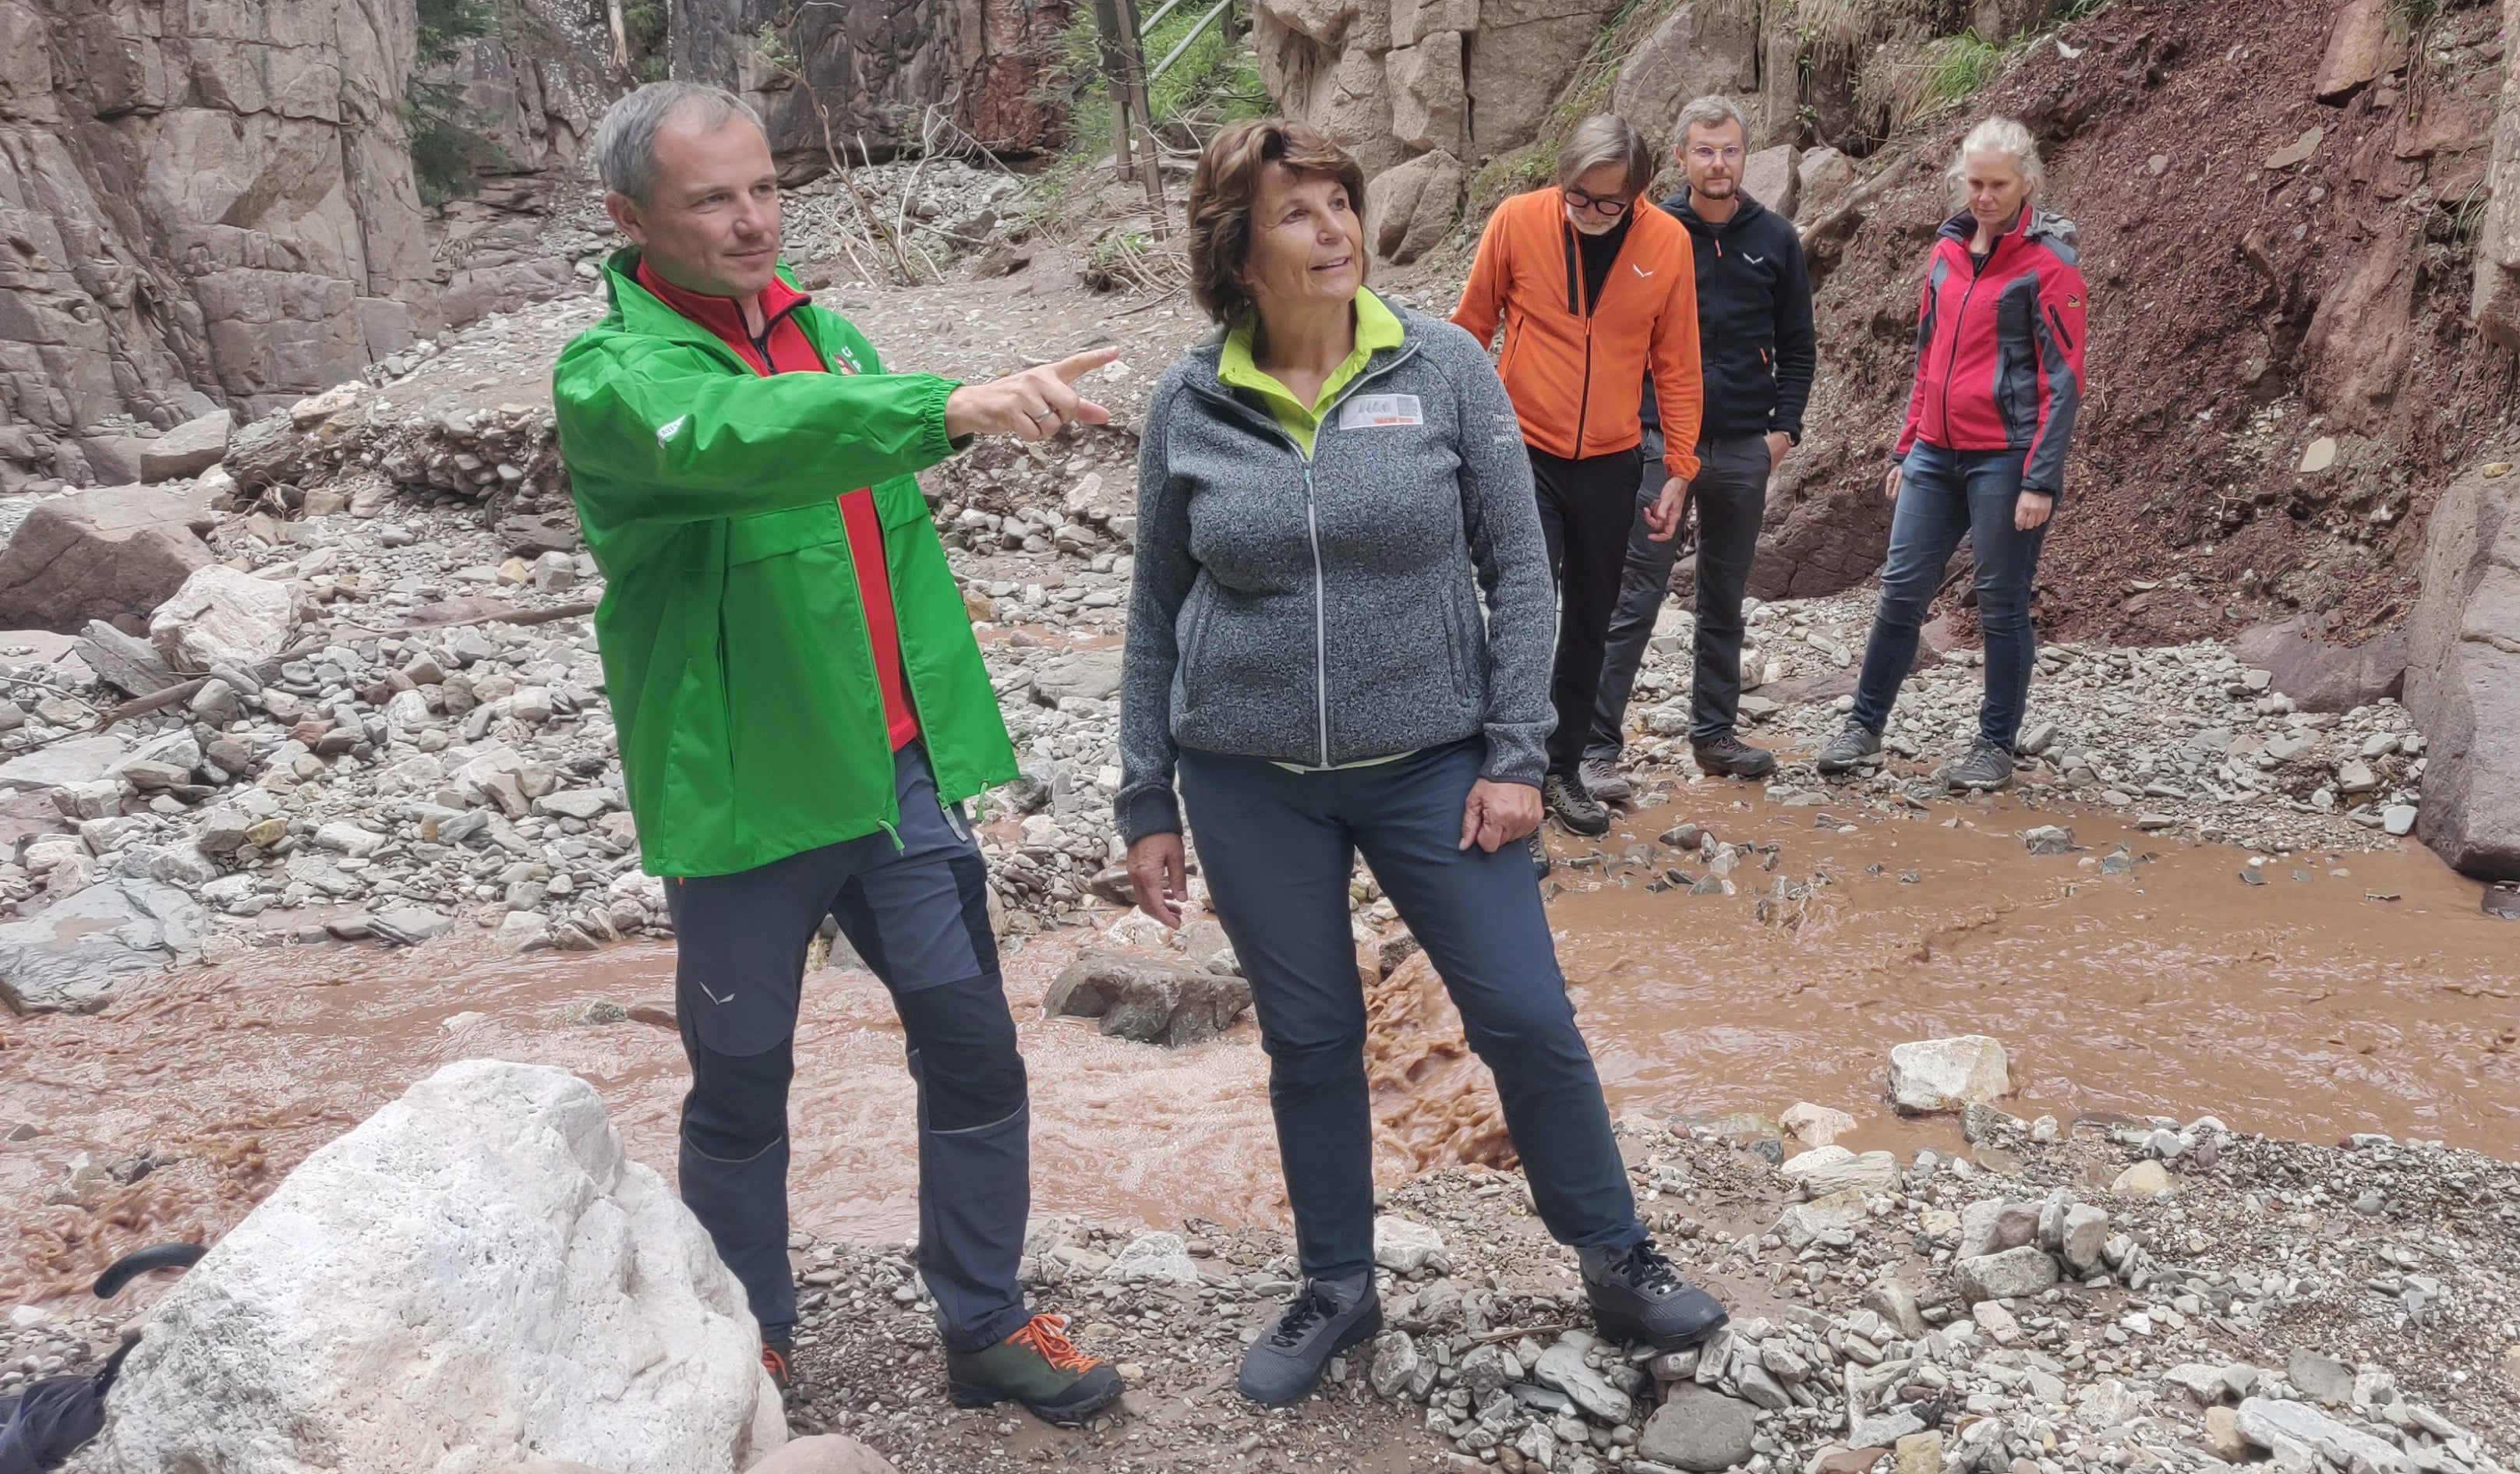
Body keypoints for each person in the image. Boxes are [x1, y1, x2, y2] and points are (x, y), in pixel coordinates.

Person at [1117, 118, 1728, 1409]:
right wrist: (1143, 797)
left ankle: (1613, 1258)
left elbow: (1522, 571)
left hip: (1434, 766)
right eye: (1298, 212)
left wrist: (1516, 755)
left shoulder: (1444, 365)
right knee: (1313, 1037)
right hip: (1245, 778)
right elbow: (1153, 612)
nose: (1334, 226)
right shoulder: (1188, 400)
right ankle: (1336, 1284)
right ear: (1237, 247)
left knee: (1521, 1013)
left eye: (1340, 202)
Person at [553, 82, 1124, 1423]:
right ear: (630, 219)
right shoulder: (615, 379)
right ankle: (749, 1338)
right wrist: (953, 405)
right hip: (750, 795)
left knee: (975, 1047)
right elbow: (752, 440)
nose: (753, 221)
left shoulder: (831, 334)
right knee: (742, 1082)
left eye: (764, 187)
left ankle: (985, 1322)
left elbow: (877, 532)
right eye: (713, 198)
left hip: (893, 775)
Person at [1449, 113, 1706, 837]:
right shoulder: (1517, 221)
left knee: (1592, 616)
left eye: (1608, 203)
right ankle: (1508, 772)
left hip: (1613, 457)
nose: (1591, 214)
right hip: (1520, 448)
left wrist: (1680, 468)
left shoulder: (1668, 243)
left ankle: (1562, 770)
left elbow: (1679, 365)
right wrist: (1455, 435)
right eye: (1579, 199)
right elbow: (1469, 329)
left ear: (1639, 194)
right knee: (1527, 608)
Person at [1817, 116, 2086, 791]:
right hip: (1934, 454)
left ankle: (1996, 743)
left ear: (2027, 182)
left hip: (2006, 458)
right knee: (1900, 591)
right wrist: (1905, 447)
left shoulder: (2050, 263)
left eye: (1997, 184)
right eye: (1974, 183)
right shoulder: (1946, 252)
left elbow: (2064, 378)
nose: (1984, 196)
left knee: (2000, 600)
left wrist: (2040, 480)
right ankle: (1863, 726)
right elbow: (1928, 359)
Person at [1579, 96, 1818, 798]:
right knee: (1635, 592)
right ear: (1679, 158)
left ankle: (1713, 735)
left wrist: (1784, 432)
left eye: (1731, 150)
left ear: (1747, 157)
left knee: (1725, 594)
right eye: (1704, 150)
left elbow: (1799, 346)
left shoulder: (1775, 238)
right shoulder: (1647, 232)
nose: (1719, 163)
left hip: (1745, 443)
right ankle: (1595, 747)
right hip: (1654, 440)